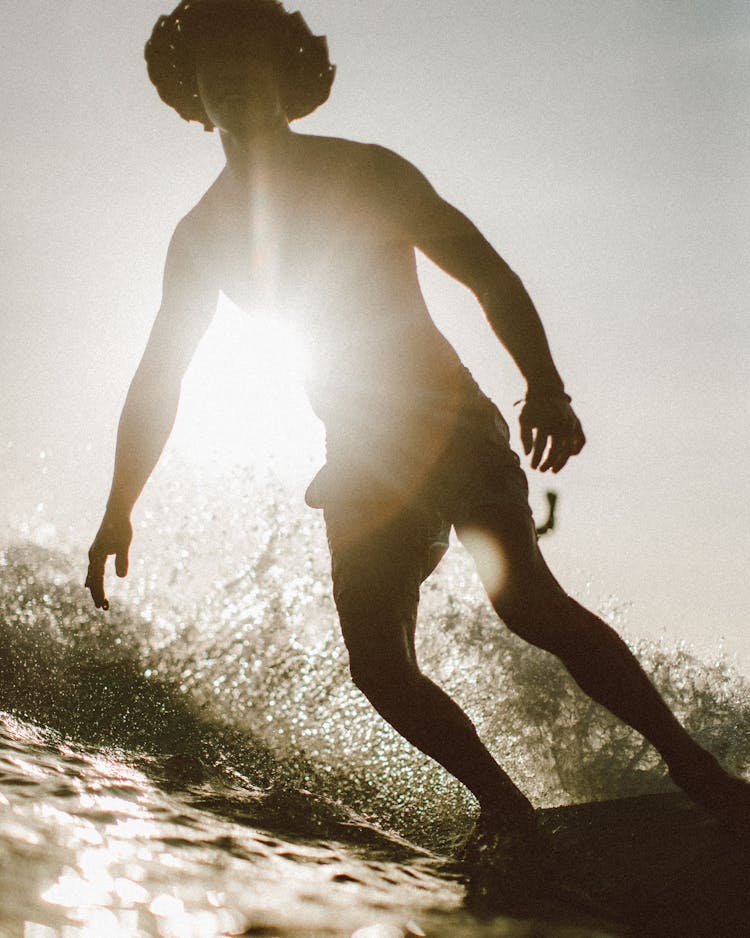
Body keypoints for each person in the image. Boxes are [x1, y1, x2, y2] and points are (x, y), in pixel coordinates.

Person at [86, 0, 748, 840]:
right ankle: (508, 814)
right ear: (195, 98)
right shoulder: (202, 235)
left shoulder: (367, 171)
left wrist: (546, 386)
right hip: (358, 456)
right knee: (379, 669)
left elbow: (484, 272)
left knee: (528, 606)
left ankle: (694, 767)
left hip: (447, 421)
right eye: (218, 78)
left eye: (253, 72)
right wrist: (119, 505)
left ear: (288, 83)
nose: (238, 91)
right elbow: (160, 377)